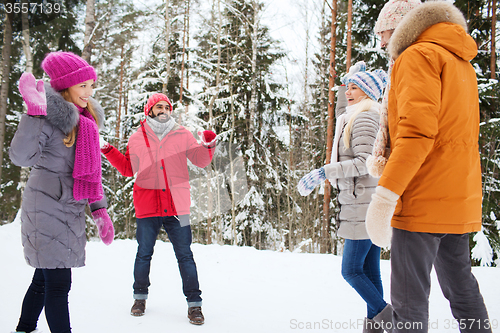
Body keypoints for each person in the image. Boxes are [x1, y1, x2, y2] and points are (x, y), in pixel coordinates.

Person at [365, 2, 492, 332]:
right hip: (457, 198)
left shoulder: (416, 56)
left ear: (404, 27)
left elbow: (416, 133)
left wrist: (385, 197)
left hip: (421, 199)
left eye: (384, 33)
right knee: (462, 290)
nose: (381, 44)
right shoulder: (459, 61)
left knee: (409, 304)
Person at [10, 52, 114, 333]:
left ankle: (24, 327)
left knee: (44, 279)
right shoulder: (45, 119)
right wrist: (33, 114)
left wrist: (99, 209)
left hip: (68, 210)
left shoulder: (87, 123)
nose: (89, 92)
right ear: (66, 86)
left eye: (91, 86)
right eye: (83, 86)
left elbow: (92, 173)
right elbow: (21, 156)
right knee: (58, 285)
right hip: (44, 209)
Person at [100, 93, 216, 325]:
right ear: (149, 110)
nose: (164, 109)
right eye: (158, 106)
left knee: (185, 256)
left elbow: (200, 160)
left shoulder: (182, 134)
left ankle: (195, 305)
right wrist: (107, 149)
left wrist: (208, 144)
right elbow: (127, 168)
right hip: (147, 205)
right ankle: (139, 298)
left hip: (177, 206)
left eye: (167, 106)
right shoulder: (136, 138)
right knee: (144, 254)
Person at [298, 62, 391, 333]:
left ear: (368, 92)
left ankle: (391, 319)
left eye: (355, 88)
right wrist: (345, 84)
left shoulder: (364, 118)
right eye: (347, 87)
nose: (349, 92)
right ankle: (374, 327)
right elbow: (341, 114)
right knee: (371, 270)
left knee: (350, 270)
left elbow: (365, 162)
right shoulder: (355, 115)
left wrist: (324, 172)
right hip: (363, 201)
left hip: (362, 203)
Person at [366, 0, 421, 177]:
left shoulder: (413, 62)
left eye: (383, 34)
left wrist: (387, 190)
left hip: (413, 171)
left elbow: (415, 129)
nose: (381, 43)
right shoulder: (407, 61)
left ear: (399, 28)